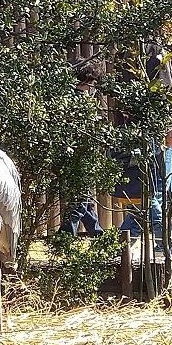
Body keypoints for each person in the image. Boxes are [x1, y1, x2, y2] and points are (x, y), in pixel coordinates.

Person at [114, 44, 172, 255]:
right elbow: (165, 91)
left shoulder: (124, 49)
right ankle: (164, 245)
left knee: (144, 193)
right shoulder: (152, 48)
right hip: (156, 132)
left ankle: (123, 244)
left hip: (132, 133)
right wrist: (171, 126)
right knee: (158, 192)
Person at [59, 57, 106, 237]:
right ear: (88, 81)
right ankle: (65, 236)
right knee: (80, 200)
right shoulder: (79, 102)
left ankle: (97, 233)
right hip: (79, 156)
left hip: (74, 156)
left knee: (84, 199)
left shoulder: (67, 98)